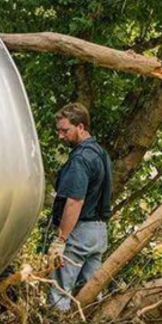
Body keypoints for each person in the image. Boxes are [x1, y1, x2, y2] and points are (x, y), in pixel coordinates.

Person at [48, 103, 112, 312]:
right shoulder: (101, 153)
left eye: (65, 130)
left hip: (79, 232)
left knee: (60, 292)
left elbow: (75, 201)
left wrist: (61, 239)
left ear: (81, 127)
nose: (60, 136)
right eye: (58, 131)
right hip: (99, 232)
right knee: (92, 293)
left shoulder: (81, 159)